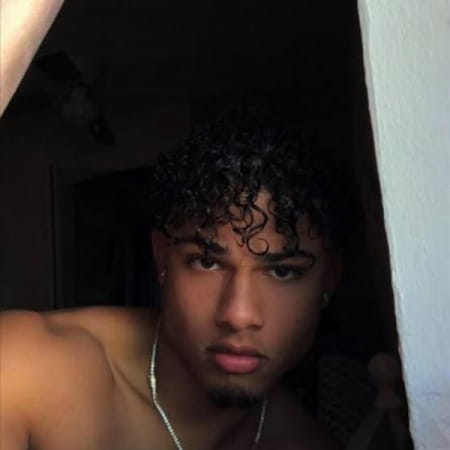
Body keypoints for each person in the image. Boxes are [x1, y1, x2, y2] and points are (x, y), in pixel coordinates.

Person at [1, 110, 355, 449]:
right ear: (162, 258)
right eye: (206, 262)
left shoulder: (306, 442)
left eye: (282, 271)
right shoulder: (27, 366)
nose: (238, 315)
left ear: (329, 279)